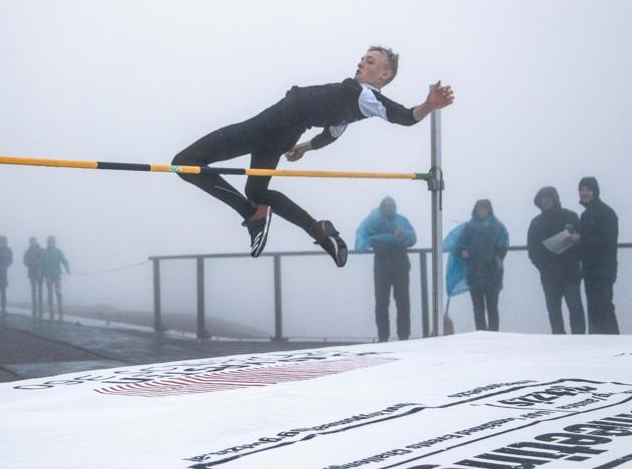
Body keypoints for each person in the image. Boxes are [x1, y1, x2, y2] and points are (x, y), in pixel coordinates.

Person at [172, 46, 453, 266]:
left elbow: (403, 116)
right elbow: (332, 133)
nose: (360, 63)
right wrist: (304, 147)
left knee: (184, 163)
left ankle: (252, 214)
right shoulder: (356, 105)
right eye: (362, 58)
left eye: (369, 61)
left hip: (266, 127)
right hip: (280, 134)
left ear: (384, 75)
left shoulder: (365, 96)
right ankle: (317, 230)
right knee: (256, 190)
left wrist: (428, 105)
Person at [356, 197, 417, 342]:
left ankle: (404, 336)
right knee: (382, 303)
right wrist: (391, 238)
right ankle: (383, 337)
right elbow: (367, 238)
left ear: (395, 207)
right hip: (382, 266)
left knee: (403, 302)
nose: (387, 208)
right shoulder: (374, 222)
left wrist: (404, 236)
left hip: (400, 265)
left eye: (390, 206)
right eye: (384, 206)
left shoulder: (402, 221)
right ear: (381, 208)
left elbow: (413, 238)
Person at [528, 186, 585, 335]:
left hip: (571, 272)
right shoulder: (536, 223)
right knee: (553, 310)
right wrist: (543, 266)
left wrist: (575, 244)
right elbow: (532, 250)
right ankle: (558, 340)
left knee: (575, 307)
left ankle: (579, 339)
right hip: (549, 275)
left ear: (555, 198)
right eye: (542, 199)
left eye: (548, 198)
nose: (545, 201)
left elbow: (583, 241)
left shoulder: (571, 216)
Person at [574, 177, 620, 334]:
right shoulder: (585, 216)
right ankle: (597, 341)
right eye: (581, 190)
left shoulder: (606, 212)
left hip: (604, 270)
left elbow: (607, 241)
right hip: (589, 270)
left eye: (587, 189)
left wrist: (580, 239)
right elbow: (585, 245)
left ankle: (613, 341)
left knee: (604, 307)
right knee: (593, 308)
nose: (584, 193)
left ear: (595, 191)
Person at [456, 200, 509, 331]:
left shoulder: (498, 227)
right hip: (474, 273)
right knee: (478, 308)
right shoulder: (469, 227)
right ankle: (481, 335)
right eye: (480, 208)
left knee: (492, 307)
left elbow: (503, 244)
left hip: (492, 273)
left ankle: (494, 335)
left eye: (485, 208)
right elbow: (460, 244)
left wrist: (499, 256)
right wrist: (462, 251)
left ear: (489, 210)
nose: (482, 211)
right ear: (476, 210)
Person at [40, 236, 70, 321]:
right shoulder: (44, 252)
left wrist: (67, 268)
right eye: (48, 242)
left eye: (51, 242)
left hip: (57, 275)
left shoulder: (58, 251)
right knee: (50, 293)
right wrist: (39, 272)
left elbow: (64, 260)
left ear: (54, 242)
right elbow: (41, 263)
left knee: (58, 292)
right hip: (48, 276)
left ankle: (60, 308)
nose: (49, 243)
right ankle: (51, 309)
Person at [23, 237, 44, 318]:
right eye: (31, 241)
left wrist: (38, 262)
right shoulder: (27, 252)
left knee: (40, 290)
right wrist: (31, 262)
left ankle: (40, 306)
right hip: (32, 272)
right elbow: (24, 261)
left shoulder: (41, 250)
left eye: (33, 241)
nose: (32, 243)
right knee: (33, 290)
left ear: (36, 241)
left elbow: (44, 259)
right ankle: (35, 306)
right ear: (30, 242)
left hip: (39, 272)